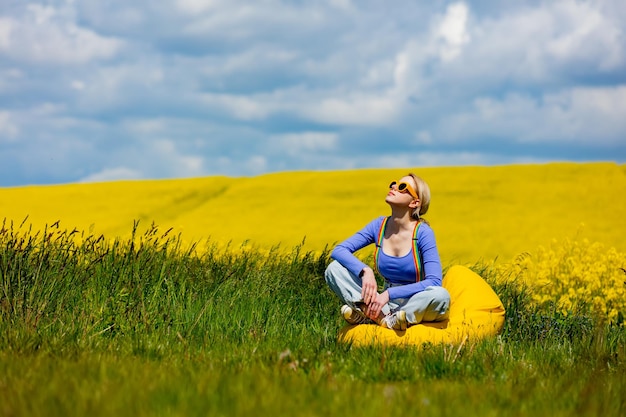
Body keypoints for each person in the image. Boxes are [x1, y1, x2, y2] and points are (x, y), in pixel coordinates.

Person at [325, 173, 450, 330]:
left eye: (402, 187)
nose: (393, 187)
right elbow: (339, 250)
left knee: (441, 296)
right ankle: (385, 319)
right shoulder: (379, 226)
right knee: (333, 269)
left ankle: (372, 316)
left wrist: (389, 294)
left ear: (415, 202)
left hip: (415, 300)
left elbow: (434, 281)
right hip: (383, 303)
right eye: (394, 184)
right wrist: (365, 271)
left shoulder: (423, 233)